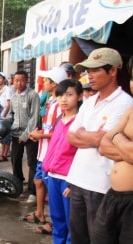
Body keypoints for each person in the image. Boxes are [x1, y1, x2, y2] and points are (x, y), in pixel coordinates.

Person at [66, 47, 133, 244]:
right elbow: (72, 136)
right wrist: (94, 137)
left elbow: (103, 142)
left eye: (95, 70)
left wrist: (88, 135)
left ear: (112, 71)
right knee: (78, 236)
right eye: (87, 71)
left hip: (101, 185)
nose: (89, 76)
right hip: (78, 178)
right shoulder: (89, 101)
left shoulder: (124, 103)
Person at [92, 56, 133, 244]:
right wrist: (120, 140)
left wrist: (116, 138)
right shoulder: (131, 109)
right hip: (114, 196)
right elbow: (104, 145)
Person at [23, 66, 66, 231]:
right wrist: (40, 133)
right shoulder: (50, 102)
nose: (43, 82)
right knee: (38, 181)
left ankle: (55, 222)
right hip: (43, 151)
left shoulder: (60, 106)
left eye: (47, 80)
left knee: (52, 187)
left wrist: (41, 135)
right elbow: (49, 128)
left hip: (51, 152)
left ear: (54, 84)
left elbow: (60, 132)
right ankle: (40, 213)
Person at [41, 79, 83, 242]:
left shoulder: (81, 122)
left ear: (79, 97)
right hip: (53, 176)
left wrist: (74, 182)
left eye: (69, 95)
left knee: (71, 223)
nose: (64, 99)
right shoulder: (60, 119)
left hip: (68, 179)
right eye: (60, 95)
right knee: (57, 220)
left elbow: (82, 154)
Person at [9, 70, 41, 200]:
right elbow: (12, 115)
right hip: (15, 133)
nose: (19, 83)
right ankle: (18, 184)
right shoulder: (13, 97)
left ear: (27, 80)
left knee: (31, 161)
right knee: (15, 159)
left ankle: (33, 191)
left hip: (31, 134)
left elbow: (34, 118)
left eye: (21, 80)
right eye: (16, 80)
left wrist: (25, 135)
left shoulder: (33, 95)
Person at [0, 71, 12, 162]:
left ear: (4, 80)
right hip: (0, 116)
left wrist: (4, 115)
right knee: (1, 136)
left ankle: (5, 155)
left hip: (6, 116)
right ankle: (2, 154)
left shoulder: (7, 89)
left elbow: (9, 104)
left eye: (0, 78)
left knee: (6, 136)